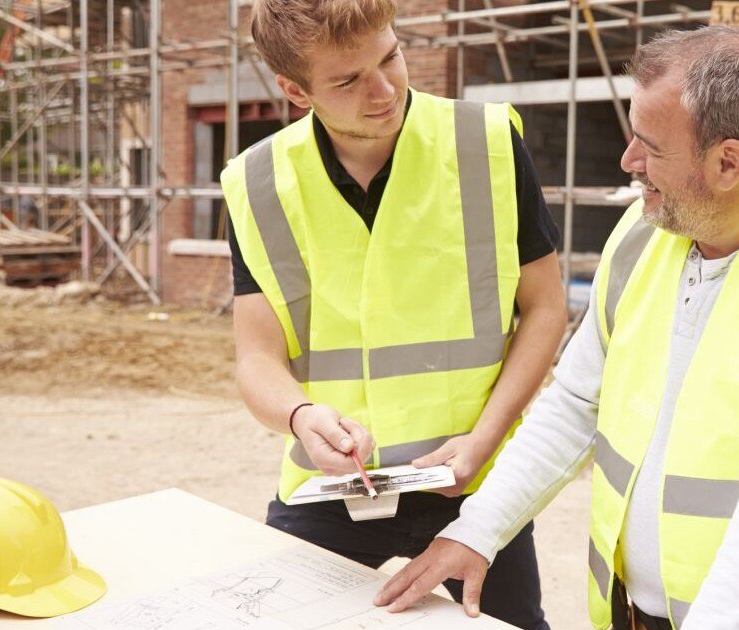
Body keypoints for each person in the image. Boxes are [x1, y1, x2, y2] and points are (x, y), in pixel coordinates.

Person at [375, 25, 739, 629]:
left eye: (650, 146)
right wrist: (478, 530)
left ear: (728, 162)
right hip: (631, 612)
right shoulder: (641, 237)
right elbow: (574, 403)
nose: (628, 161)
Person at [219, 1, 565, 628]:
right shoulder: (257, 182)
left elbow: (545, 310)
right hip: (330, 489)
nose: (384, 91)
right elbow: (256, 357)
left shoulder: (487, 142)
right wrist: (300, 417)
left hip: (475, 476)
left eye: (391, 57)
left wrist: (482, 442)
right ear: (295, 90)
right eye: (348, 80)